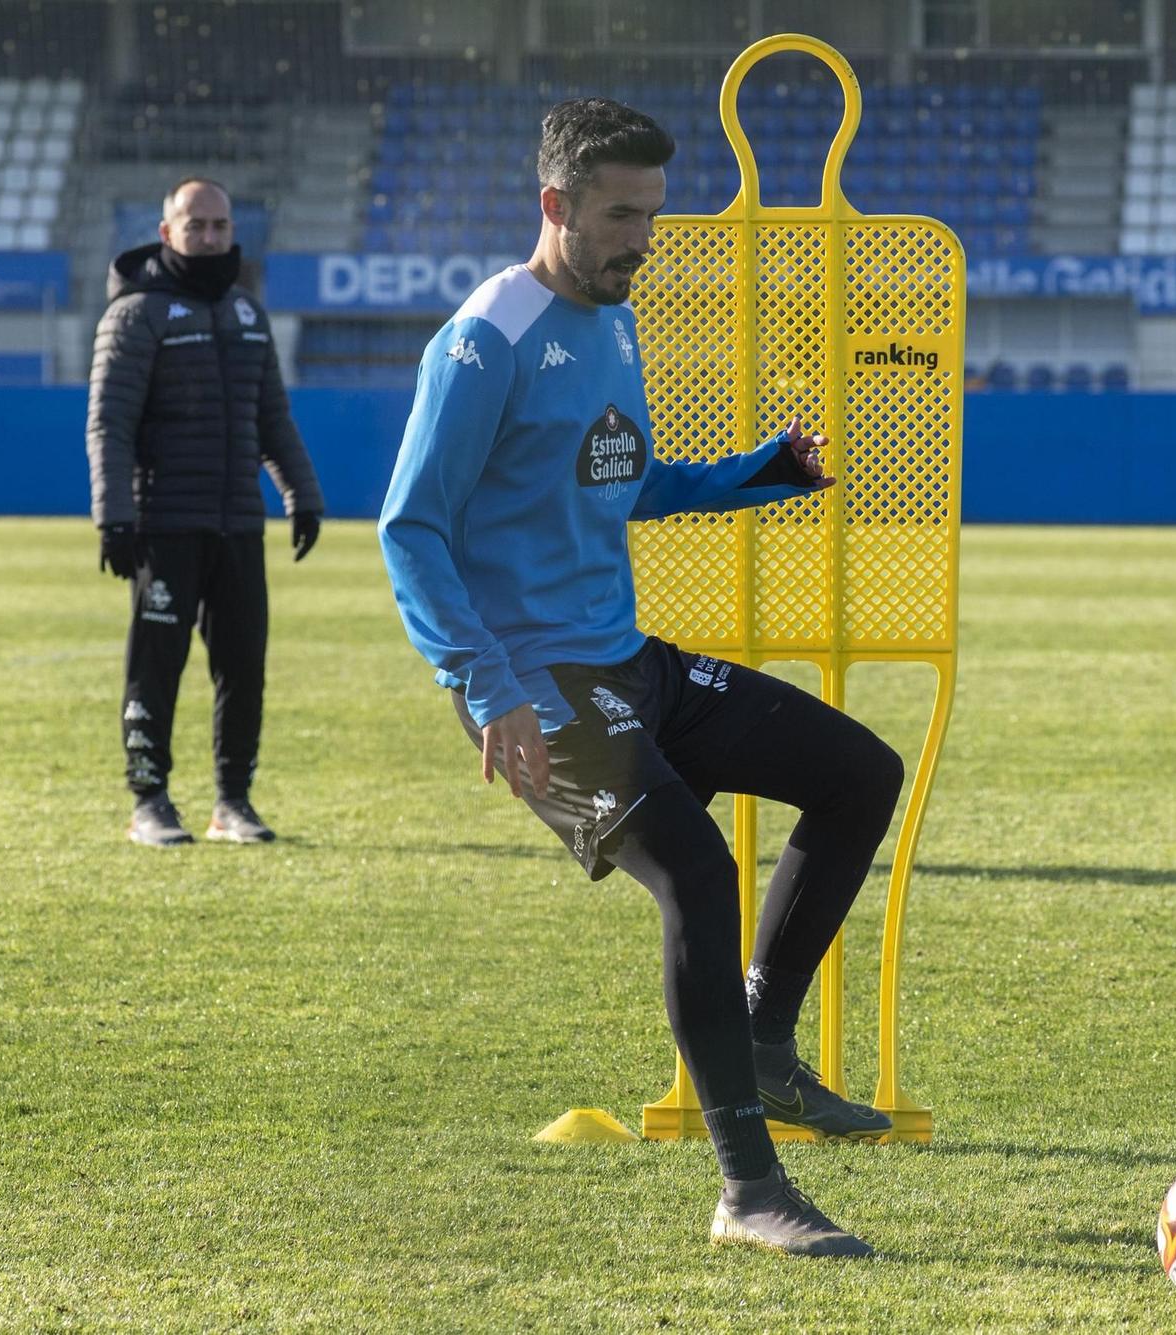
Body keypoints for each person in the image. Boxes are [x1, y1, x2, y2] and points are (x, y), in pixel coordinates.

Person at [380, 99, 905, 1259]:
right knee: (698, 878)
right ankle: (748, 1191)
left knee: (858, 771)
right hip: (539, 686)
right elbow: (410, 527)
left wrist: (750, 474)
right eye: (619, 216)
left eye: (653, 215)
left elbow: (619, 481)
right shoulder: (483, 342)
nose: (641, 239)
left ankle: (763, 1047)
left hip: (628, 659)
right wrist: (483, 685)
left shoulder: (611, 319)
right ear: (554, 205)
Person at [86, 177, 325, 847]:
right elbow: (108, 424)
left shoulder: (248, 313)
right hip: (164, 524)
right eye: (198, 226)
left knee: (244, 665)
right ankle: (149, 801)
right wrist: (115, 515)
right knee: (155, 666)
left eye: (221, 226)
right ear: (168, 233)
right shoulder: (135, 314)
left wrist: (301, 494)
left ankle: (233, 801)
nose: (212, 237)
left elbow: (272, 417)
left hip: (238, 524)